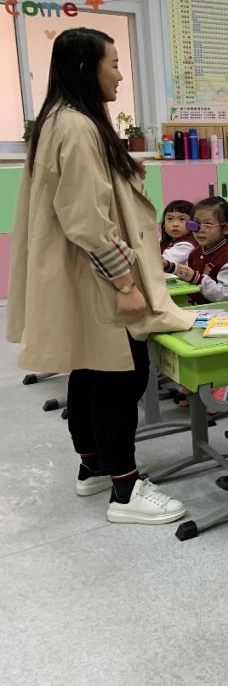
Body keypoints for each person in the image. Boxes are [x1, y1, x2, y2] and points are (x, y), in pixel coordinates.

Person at [6, 26, 192, 524]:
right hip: (99, 275)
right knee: (120, 376)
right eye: (113, 64)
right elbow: (86, 220)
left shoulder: (59, 120)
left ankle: (92, 467)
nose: (119, 74)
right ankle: (125, 491)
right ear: (87, 68)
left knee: (89, 368)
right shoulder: (77, 128)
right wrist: (125, 284)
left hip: (80, 272)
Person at [173, 196, 228, 304]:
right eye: (196, 223)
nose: (200, 230)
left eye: (208, 224)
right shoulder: (195, 253)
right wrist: (169, 266)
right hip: (203, 309)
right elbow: (189, 280)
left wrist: (196, 278)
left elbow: (225, 295)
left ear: (226, 228)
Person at [160, 199, 196, 274]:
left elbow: (159, 263)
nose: (175, 224)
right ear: (164, 225)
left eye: (182, 219)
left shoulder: (187, 245)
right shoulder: (164, 240)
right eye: (170, 219)